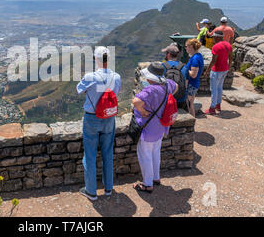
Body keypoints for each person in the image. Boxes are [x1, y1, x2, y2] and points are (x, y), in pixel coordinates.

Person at [76, 46, 121, 201]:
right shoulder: (117, 76)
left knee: (90, 154)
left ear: (95, 59)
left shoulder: (90, 77)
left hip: (92, 118)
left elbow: (79, 90)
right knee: (108, 152)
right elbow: (116, 93)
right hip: (109, 118)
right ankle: (108, 188)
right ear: (109, 59)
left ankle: (91, 191)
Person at [132, 62, 178, 193]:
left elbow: (136, 101)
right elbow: (177, 86)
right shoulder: (167, 84)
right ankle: (156, 178)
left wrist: (142, 111)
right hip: (161, 127)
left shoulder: (151, 90)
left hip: (148, 129)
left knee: (145, 155)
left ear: (150, 77)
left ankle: (147, 184)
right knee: (155, 153)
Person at [203, 31, 233, 115]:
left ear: (217, 37)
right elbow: (231, 57)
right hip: (225, 70)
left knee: (213, 89)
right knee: (220, 87)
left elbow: (214, 60)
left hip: (216, 71)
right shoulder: (228, 45)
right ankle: (218, 106)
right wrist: (229, 68)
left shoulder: (215, 47)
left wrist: (207, 70)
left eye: (213, 37)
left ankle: (212, 108)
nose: (212, 38)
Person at [161, 44, 188, 110]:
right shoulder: (184, 67)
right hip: (181, 99)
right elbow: (186, 84)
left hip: (167, 99)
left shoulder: (162, 66)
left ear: (168, 55)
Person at [185, 39, 204, 117]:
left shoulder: (195, 59)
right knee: (191, 104)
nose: (185, 48)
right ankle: (192, 121)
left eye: (186, 46)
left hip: (191, 84)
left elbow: (193, 74)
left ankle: (191, 122)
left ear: (191, 47)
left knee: (189, 104)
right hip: (194, 83)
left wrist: (184, 69)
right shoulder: (198, 56)